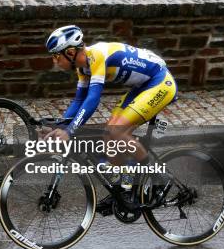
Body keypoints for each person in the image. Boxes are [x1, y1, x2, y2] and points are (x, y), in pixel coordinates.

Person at [44, 25, 178, 192]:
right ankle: (124, 189)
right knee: (109, 133)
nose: (54, 61)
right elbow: (79, 100)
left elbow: (92, 100)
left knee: (116, 131)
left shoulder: (97, 56)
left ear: (70, 53)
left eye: (56, 56)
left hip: (160, 82)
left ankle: (157, 176)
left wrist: (69, 131)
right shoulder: (83, 68)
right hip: (142, 86)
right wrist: (59, 127)